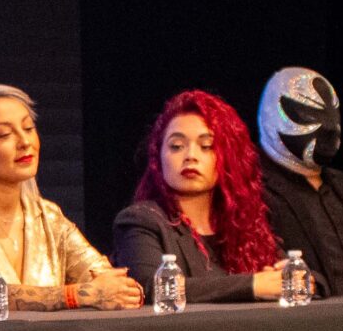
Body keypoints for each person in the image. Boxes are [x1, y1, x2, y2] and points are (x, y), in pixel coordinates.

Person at [0, 83, 143, 311]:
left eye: (28, 128)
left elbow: (101, 277)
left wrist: (119, 290)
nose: (25, 142)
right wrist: (78, 295)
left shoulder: (50, 217)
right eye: (5, 134)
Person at [111, 91, 286, 303]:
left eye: (206, 146)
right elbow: (150, 288)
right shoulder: (140, 221)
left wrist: (296, 278)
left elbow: (304, 275)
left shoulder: (244, 223)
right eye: (177, 146)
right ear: (158, 157)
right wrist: (253, 285)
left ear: (229, 157)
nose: (190, 156)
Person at [252, 67, 343, 298]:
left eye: (331, 114)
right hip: (318, 317)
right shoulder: (252, 195)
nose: (328, 127)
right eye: (307, 115)